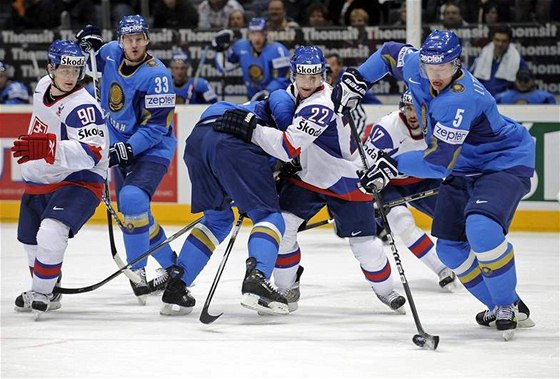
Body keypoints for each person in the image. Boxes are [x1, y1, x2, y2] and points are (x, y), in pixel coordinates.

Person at [332, 30, 536, 338]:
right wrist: (358, 79)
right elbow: (388, 52)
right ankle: (505, 305)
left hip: (502, 162)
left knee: (481, 229)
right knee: (451, 250)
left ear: (457, 64)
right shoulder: (418, 64)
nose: (435, 75)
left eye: (443, 68)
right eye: (430, 67)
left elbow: (439, 161)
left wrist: (391, 166)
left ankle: (507, 304)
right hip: (464, 166)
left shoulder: (461, 98)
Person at [213, 46, 407, 314]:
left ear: (323, 74)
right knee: (284, 229)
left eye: (315, 76)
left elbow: (288, 146)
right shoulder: (289, 94)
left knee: (365, 245)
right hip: (307, 177)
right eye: (303, 76)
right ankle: (285, 289)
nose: (309, 82)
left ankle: (386, 290)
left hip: (345, 178)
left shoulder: (323, 103)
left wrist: (252, 130)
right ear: (293, 74)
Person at [159, 93, 296, 316]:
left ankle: (177, 284)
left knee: (217, 221)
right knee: (268, 216)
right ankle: (257, 280)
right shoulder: (275, 101)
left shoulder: (230, 106)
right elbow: (280, 106)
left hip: (196, 144)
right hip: (231, 145)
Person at [75, 15, 178, 305]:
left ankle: (138, 272)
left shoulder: (157, 76)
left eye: (139, 38)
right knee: (137, 213)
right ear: (120, 40)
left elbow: (157, 127)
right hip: (118, 143)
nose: (134, 44)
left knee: (132, 200)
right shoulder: (107, 55)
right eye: (128, 39)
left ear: (147, 39)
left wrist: (127, 149)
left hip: (152, 147)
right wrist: (84, 45)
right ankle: (173, 267)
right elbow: (80, 66)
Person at [11, 40, 108, 319]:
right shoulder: (42, 86)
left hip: (80, 178)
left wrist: (50, 148)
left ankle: (41, 290)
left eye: (76, 70)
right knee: (30, 240)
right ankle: (50, 289)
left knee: (51, 231)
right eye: (64, 69)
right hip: (43, 176)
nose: (70, 76)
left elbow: (93, 152)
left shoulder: (82, 107)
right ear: (50, 68)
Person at [363, 90, 457, 291]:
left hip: (424, 179)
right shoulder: (387, 129)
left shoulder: (437, 125)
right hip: (389, 184)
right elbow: (365, 168)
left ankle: (475, 263)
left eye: (416, 107)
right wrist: (369, 196)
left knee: (456, 220)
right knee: (402, 223)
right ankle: (442, 269)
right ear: (401, 108)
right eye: (407, 108)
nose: (412, 113)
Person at [213, 17, 291, 101]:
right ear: (248, 34)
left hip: (275, 99)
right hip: (251, 98)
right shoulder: (241, 46)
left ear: (265, 33)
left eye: (260, 33)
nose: (256, 38)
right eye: (253, 33)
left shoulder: (278, 50)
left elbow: (283, 79)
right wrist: (219, 49)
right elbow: (224, 67)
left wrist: (268, 92)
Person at [470, 24, 528, 97]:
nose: (500, 44)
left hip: (505, 102)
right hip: (482, 98)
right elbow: (470, 78)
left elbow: (524, 84)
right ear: (492, 39)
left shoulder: (517, 60)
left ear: (509, 41)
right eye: (497, 40)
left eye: (504, 41)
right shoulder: (481, 56)